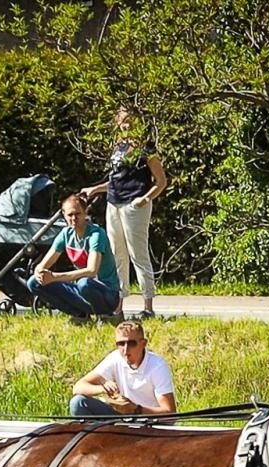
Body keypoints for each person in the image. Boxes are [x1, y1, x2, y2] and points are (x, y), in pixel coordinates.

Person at [82, 105, 168, 318]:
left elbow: (161, 181)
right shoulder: (117, 146)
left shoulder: (147, 148)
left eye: (131, 119)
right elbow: (116, 181)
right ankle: (118, 305)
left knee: (138, 253)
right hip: (114, 203)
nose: (127, 124)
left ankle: (148, 306)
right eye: (123, 120)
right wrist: (96, 189)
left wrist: (145, 198)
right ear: (117, 121)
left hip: (134, 205)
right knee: (116, 254)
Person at [26, 194, 121, 321]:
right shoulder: (65, 234)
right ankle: (80, 316)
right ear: (64, 215)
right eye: (70, 215)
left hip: (107, 294)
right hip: (82, 291)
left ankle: (105, 316)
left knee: (84, 283)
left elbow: (91, 271)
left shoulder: (96, 235)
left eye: (78, 214)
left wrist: (54, 277)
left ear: (85, 213)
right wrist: (40, 273)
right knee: (33, 282)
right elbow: (43, 265)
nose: (74, 218)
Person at [69, 319, 176, 417]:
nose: (125, 349)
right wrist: (103, 389)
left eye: (131, 343)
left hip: (150, 421)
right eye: (121, 343)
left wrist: (135, 410)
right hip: (121, 417)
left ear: (143, 344)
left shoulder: (157, 366)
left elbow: (169, 412)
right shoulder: (115, 358)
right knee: (78, 402)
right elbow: (78, 387)